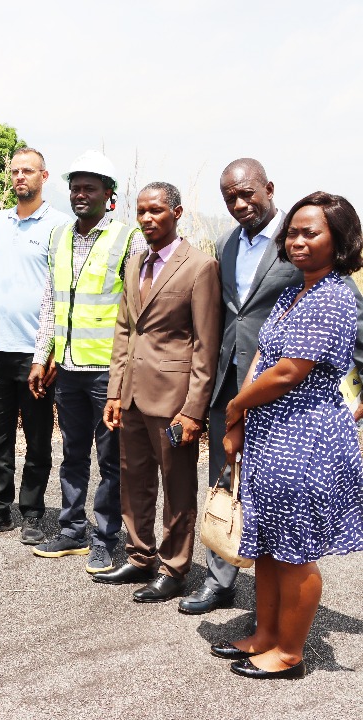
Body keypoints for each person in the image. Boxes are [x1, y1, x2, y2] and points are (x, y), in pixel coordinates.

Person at [180, 158, 363, 614]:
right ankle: (222, 577)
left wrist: (354, 401)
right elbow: (229, 315)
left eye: (247, 194)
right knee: (231, 481)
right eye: (230, 198)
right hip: (234, 383)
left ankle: (281, 623)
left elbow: (355, 332)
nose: (239, 204)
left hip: (293, 406)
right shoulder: (225, 244)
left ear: (269, 189)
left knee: (286, 514)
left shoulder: (308, 255)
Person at [211, 191, 363, 679]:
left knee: (295, 552)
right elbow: (261, 358)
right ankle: (265, 635)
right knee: (270, 547)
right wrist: (238, 422)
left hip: (307, 438)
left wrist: (234, 406)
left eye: (310, 232)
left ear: (339, 240)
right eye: (292, 232)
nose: (297, 241)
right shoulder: (294, 291)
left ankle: (290, 653)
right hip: (271, 433)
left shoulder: (335, 294)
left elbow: (288, 372)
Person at [97, 182, 221, 601]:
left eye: (156, 211)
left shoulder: (199, 267)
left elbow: (206, 345)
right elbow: (124, 330)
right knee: (134, 481)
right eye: (141, 211)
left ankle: (173, 568)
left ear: (177, 213)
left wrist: (194, 410)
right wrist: (115, 392)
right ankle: (139, 557)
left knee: (178, 485)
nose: (147, 219)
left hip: (174, 401)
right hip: (131, 395)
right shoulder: (135, 263)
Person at [28, 150, 146, 573]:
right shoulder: (59, 236)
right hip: (69, 369)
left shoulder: (129, 239)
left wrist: (127, 369)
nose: (80, 194)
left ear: (108, 194)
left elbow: (136, 310)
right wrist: (42, 356)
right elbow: (49, 302)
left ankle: (105, 538)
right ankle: (72, 531)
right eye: (75, 186)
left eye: (89, 188)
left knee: (111, 459)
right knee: (73, 453)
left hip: (107, 372)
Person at [0, 148, 68, 543]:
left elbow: (60, 291)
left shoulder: (60, 225)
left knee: (38, 436)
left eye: (28, 171)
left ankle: (32, 512)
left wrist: (51, 351)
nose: (20, 177)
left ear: (44, 175)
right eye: (15, 171)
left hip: (34, 352)